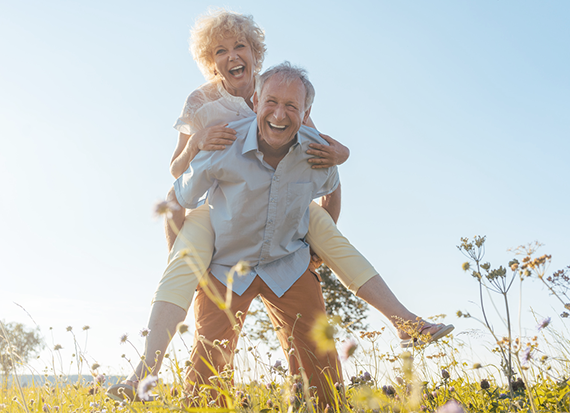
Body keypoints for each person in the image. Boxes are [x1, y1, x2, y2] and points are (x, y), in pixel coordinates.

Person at [107, 8, 453, 403]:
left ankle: (402, 319)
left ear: (256, 53)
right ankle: (145, 371)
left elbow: (323, 158)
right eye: (221, 50)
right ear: (210, 61)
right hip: (225, 226)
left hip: (285, 238)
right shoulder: (206, 107)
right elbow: (176, 178)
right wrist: (198, 141)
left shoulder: (281, 96)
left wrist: (339, 161)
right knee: (203, 345)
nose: (232, 55)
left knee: (326, 242)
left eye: (240, 46)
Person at [175, 62, 343, 404]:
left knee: (319, 362)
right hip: (227, 266)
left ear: (306, 112)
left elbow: (332, 187)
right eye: (271, 102)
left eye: (292, 106)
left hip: (288, 262)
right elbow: (178, 197)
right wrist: (189, 268)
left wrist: (317, 252)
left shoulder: (314, 150)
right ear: (255, 101)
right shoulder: (226, 141)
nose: (279, 114)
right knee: (208, 365)